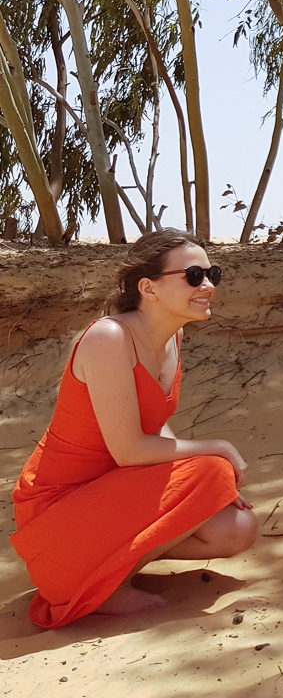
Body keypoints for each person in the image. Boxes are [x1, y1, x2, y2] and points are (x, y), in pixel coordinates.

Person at [10, 229, 258, 629]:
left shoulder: (172, 336)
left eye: (214, 273)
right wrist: (218, 449)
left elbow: (153, 424)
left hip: (115, 491)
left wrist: (198, 494)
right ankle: (102, 584)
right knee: (212, 468)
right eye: (193, 276)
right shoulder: (109, 338)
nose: (208, 285)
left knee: (236, 528)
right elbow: (129, 450)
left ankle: (110, 560)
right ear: (149, 288)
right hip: (60, 508)